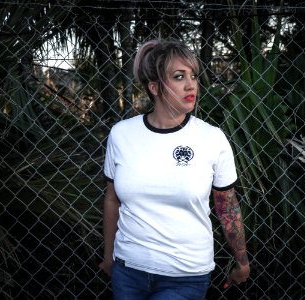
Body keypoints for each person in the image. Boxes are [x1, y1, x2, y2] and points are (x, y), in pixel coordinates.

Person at [99, 39, 250, 300]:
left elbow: (227, 205)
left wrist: (242, 261)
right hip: (129, 269)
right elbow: (112, 198)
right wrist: (109, 256)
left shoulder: (211, 138)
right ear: (154, 87)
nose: (191, 85)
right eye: (179, 77)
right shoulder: (121, 135)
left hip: (186, 275)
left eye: (193, 76)